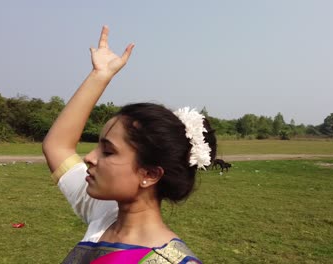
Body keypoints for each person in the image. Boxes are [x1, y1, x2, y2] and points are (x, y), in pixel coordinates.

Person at [42, 26, 216, 264]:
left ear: (150, 174)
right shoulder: (104, 216)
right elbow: (57, 146)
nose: (89, 158)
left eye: (108, 151)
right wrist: (99, 76)